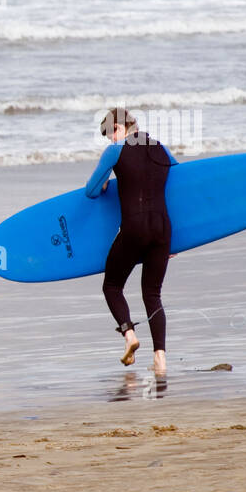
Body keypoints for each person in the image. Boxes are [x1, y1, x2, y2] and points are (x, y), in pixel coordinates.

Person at [85, 108, 178, 376]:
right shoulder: (160, 147)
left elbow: (91, 191)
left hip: (134, 228)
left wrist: (104, 184)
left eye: (111, 133)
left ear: (121, 127)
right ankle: (160, 359)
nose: (111, 140)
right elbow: (182, 186)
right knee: (152, 294)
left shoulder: (115, 152)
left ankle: (129, 336)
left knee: (112, 285)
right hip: (162, 229)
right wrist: (176, 242)